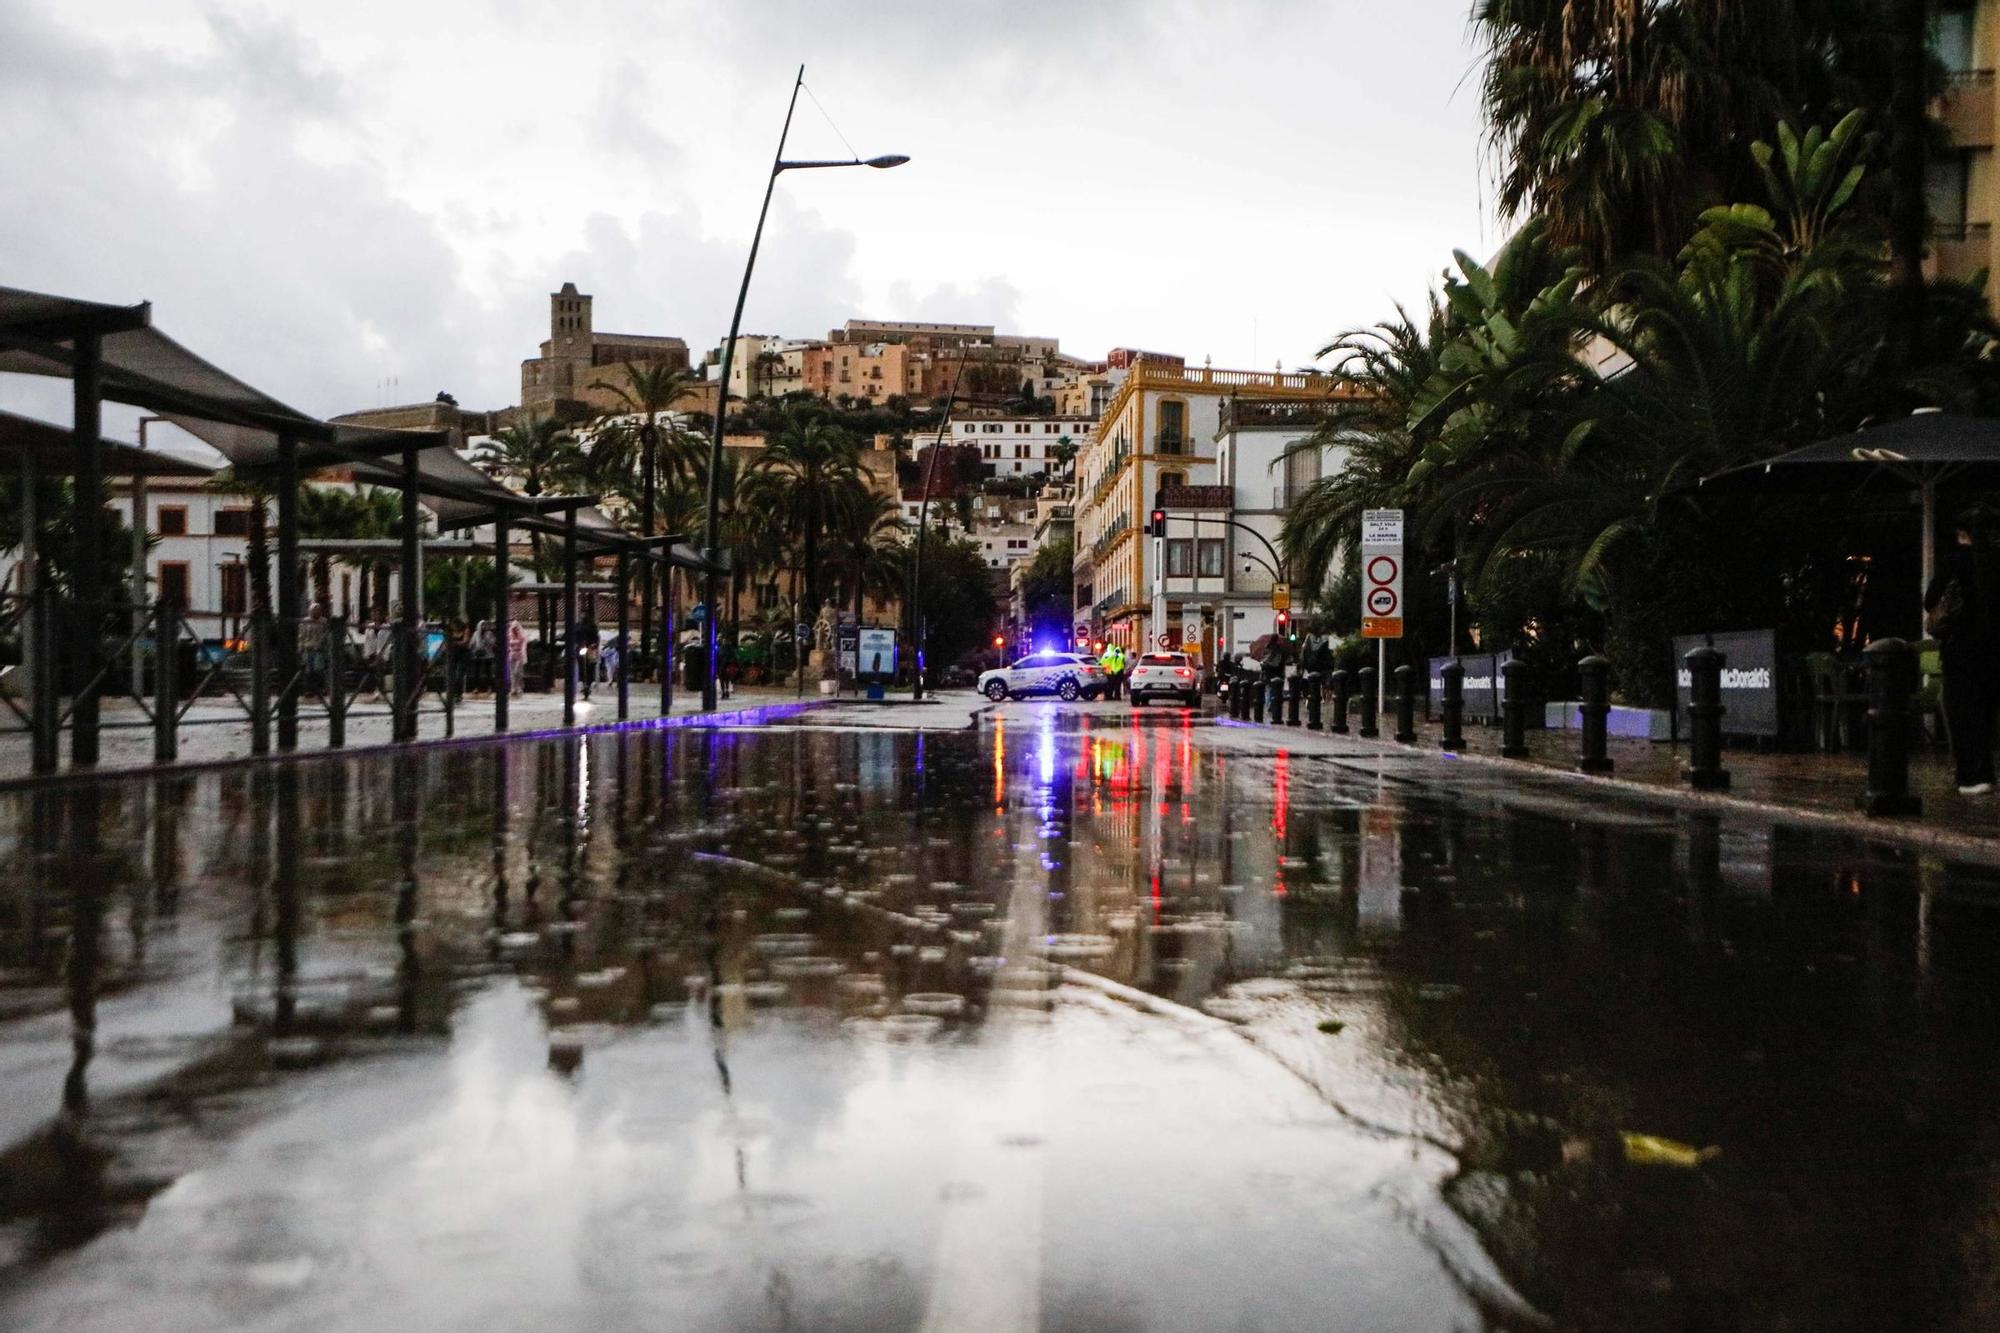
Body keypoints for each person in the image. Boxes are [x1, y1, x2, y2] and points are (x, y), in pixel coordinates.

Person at [1925, 516, 2000, 793]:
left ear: (1961, 533)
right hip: (1993, 649)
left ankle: (1972, 776)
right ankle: (1987, 772)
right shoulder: (1994, 560)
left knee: (1962, 710)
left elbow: (1930, 599)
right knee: (1986, 711)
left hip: (1960, 647)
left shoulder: (1955, 560)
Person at [573, 613, 599, 699]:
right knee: (581, 665)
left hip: (590, 648)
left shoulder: (592, 626)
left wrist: (594, 645)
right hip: (580, 648)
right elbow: (574, 636)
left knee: (590, 666)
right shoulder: (577, 626)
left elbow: (596, 637)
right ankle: (583, 683)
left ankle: (589, 683)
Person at [505, 618, 529, 696]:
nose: (514, 629)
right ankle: (513, 688)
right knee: (512, 673)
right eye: (513, 627)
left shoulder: (522, 636)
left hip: (519, 654)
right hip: (512, 655)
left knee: (517, 672)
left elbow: (524, 645)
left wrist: (523, 654)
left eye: (516, 627)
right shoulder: (510, 635)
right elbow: (508, 644)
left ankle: (519, 687)